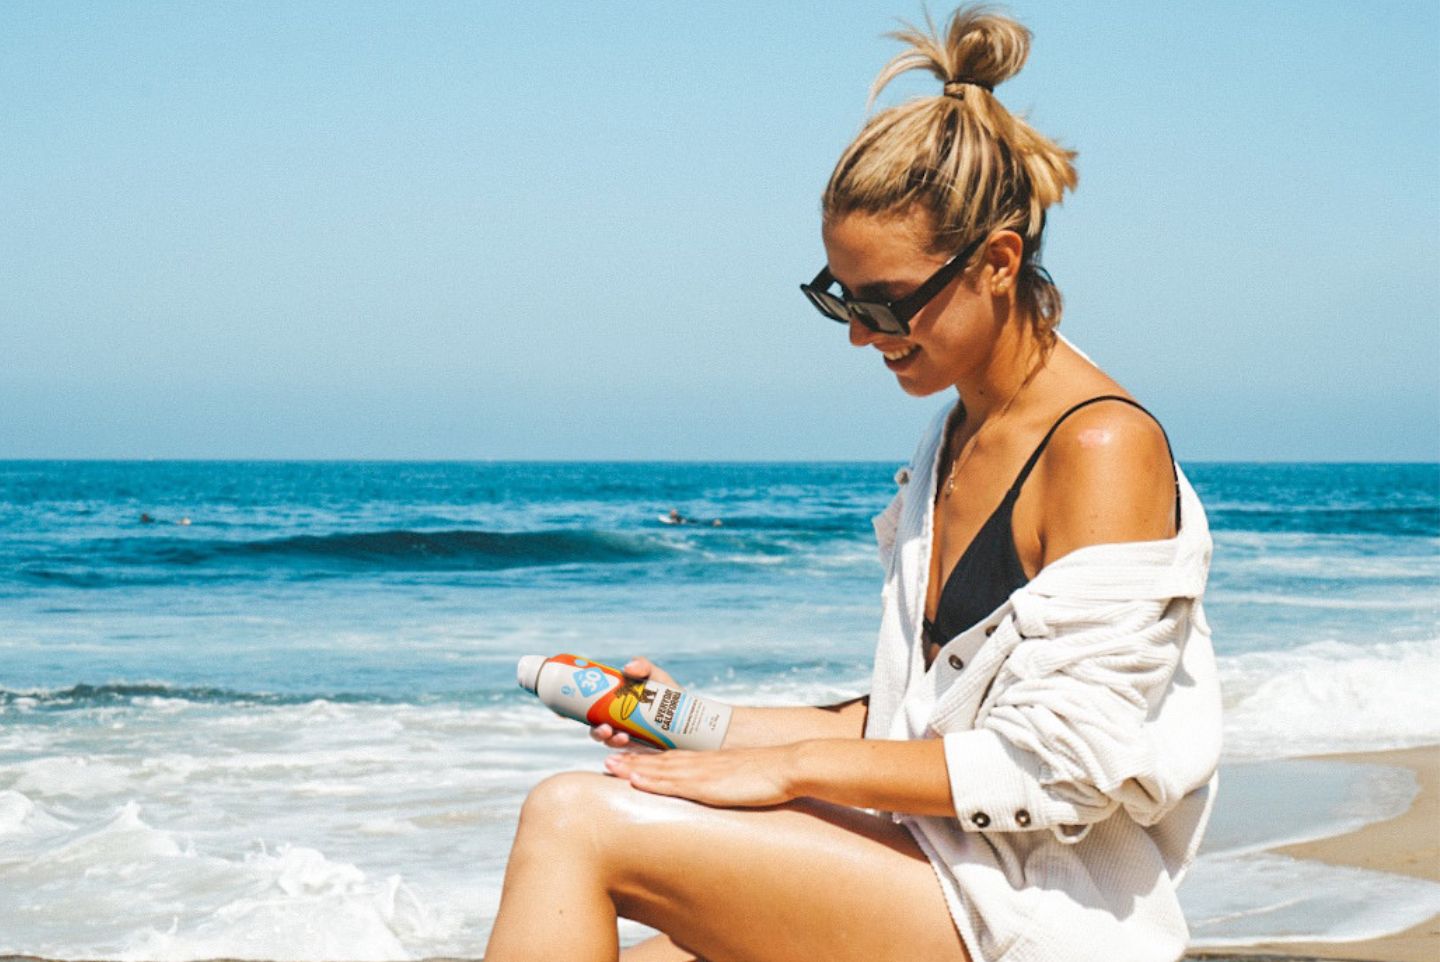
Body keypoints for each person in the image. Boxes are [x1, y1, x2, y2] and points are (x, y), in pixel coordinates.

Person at [485, 7, 1220, 961]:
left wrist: (792, 772)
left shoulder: (1101, 447)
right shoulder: (954, 431)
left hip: (1042, 911)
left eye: (882, 303)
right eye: (837, 296)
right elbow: (920, 716)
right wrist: (701, 727)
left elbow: (1070, 767)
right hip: (942, 868)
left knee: (575, 819)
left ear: (997, 262)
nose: (859, 335)